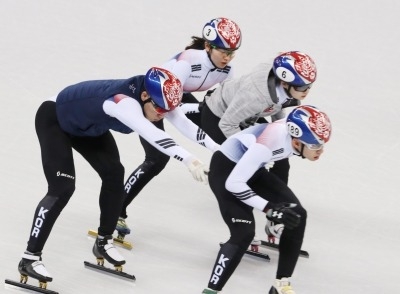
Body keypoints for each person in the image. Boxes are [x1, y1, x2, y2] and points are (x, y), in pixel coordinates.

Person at [16, 67, 214, 286]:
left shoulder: (160, 99)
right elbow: (154, 135)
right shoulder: (122, 102)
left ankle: (103, 241)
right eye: (158, 108)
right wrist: (190, 160)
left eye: (167, 110)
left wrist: (222, 150)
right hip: (56, 120)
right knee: (62, 188)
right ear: (145, 95)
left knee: (114, 174)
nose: (162, 114)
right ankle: (30, 258)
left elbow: (186, 125)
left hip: (88, 127)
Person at [116, 17, 242, 237]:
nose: (227, 57)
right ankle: (117, 211)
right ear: (207, 46)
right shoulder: (188, 62)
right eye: (222, 51)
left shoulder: (227, 71)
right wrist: (200, 111)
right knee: (157, 159)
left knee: (217, 131)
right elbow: (170, 106)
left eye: (232, 52)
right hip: (154, 99)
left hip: (178, 97)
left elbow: (226, 105)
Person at [201, 105, 332, 294]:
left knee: (297, 214)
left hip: (251, 169)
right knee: (244, 234)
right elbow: (234, 184)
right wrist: (270, 209)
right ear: (297, 143)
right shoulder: (268, 144)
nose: (320, 151)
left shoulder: (291, 133)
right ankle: (211, 291)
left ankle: (281, 284)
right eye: (315, 146)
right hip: (226, 174)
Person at [200, 51, 317, 244]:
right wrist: (253, 155)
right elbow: (227, 125)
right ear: (285, 83)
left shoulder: (282, 83)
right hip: (219, 116)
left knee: (282, 162)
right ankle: (242, 227)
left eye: (310, 85)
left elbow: (278, 105)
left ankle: (275, 220)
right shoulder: (256, 96)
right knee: (248, 172)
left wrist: (283, 132)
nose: (307, 91)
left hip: (247, 116)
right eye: (303, 86)